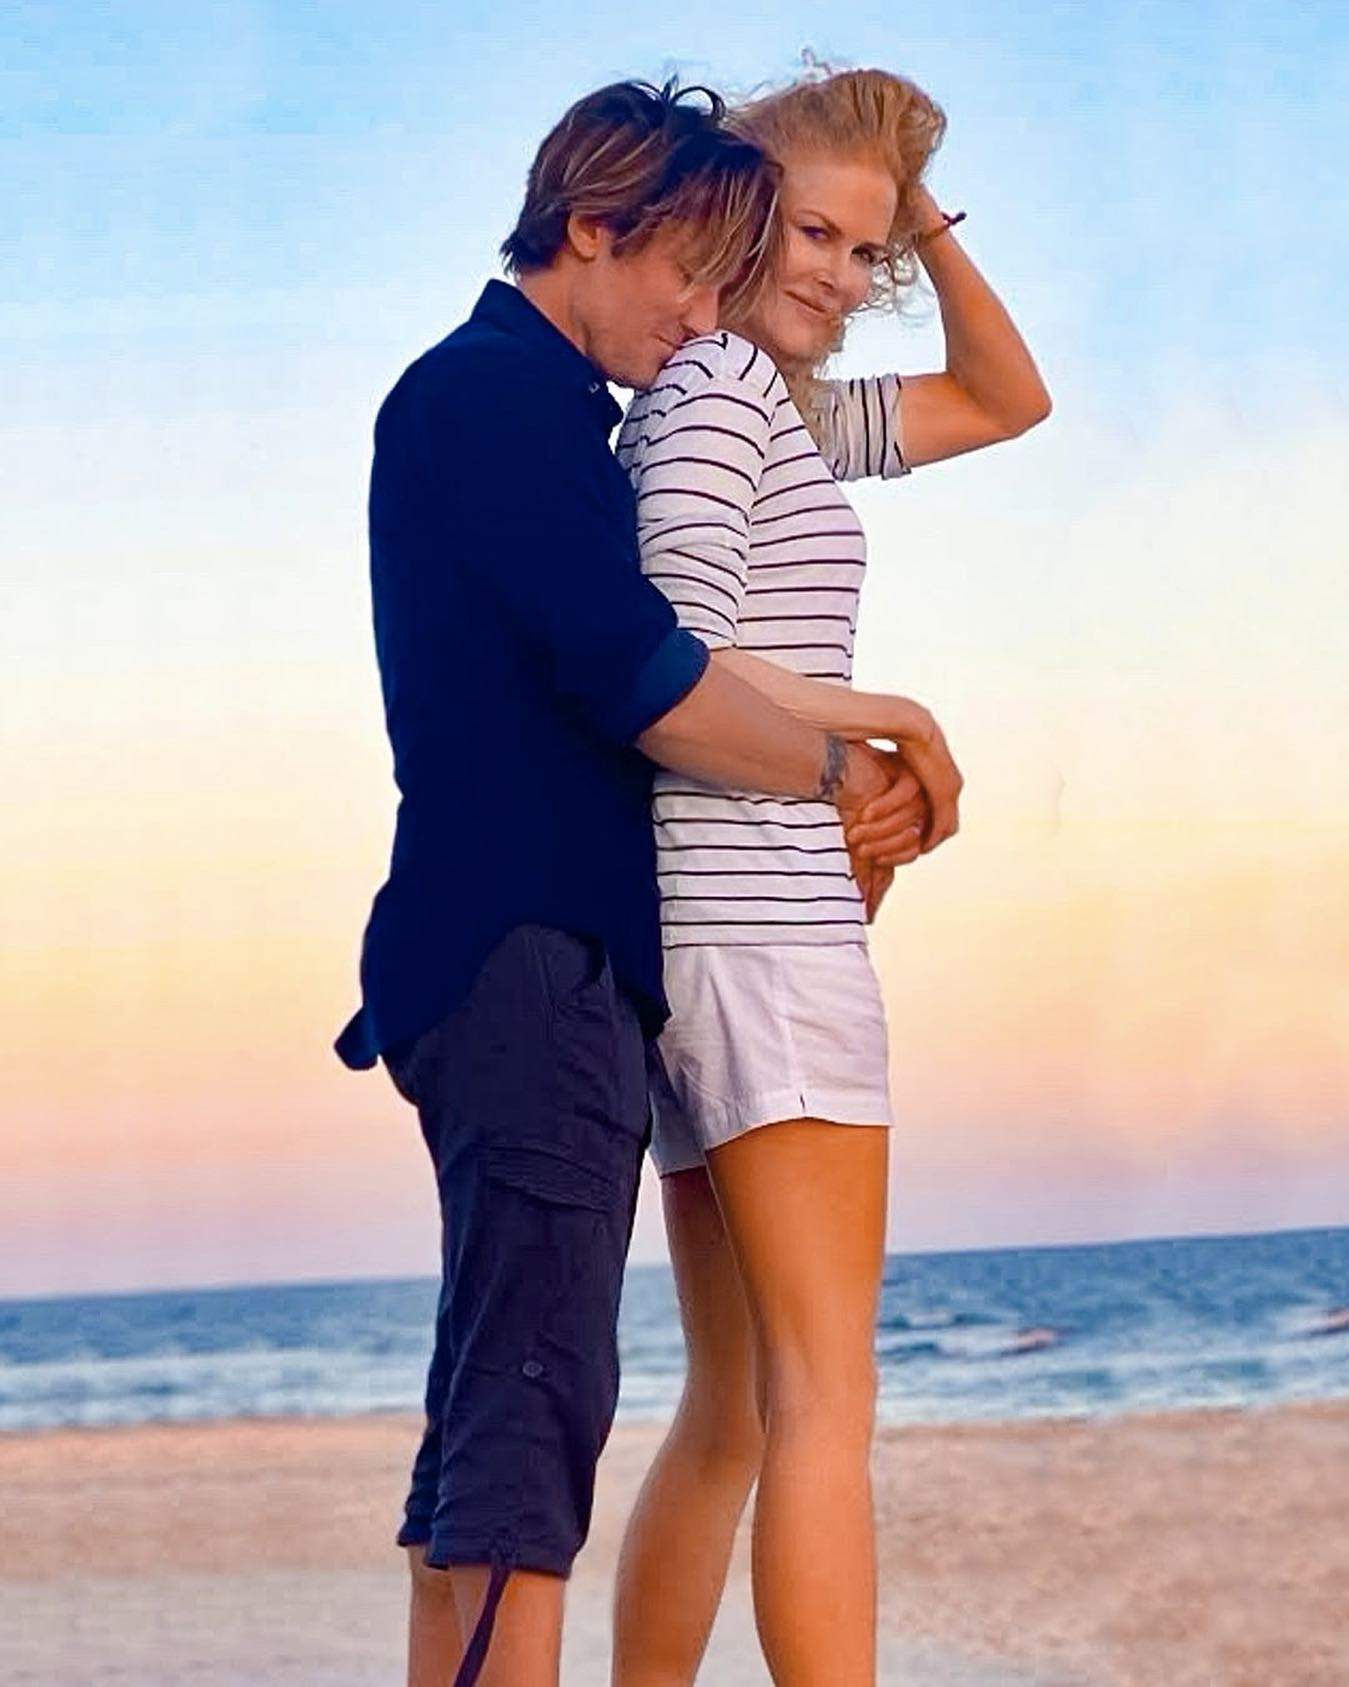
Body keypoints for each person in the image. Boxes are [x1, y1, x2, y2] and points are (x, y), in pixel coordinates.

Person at [332, 78, 931, 1687]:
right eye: (686, 273)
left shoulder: (534, 408)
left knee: (501, 1421)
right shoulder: (494, 402)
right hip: (526, 956)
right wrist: (852, 766)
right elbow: (647, 680)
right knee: (527, 1428)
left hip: (534, 960)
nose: (700, 318)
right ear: (594, 227)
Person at [610, 66, 1051, 1685]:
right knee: (821, 1403)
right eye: (813, 232)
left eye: (869, 254)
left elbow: (1005, 399)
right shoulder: (721, 388)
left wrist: (912, 207)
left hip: (709, 933)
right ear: (730, 208)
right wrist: (894, 723)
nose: (844, 277)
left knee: (736, 1408)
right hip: (760, 932)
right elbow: (666, 661)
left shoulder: (778, 405)